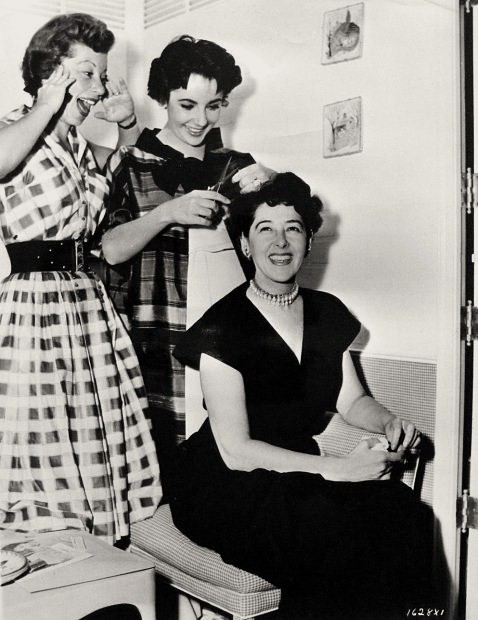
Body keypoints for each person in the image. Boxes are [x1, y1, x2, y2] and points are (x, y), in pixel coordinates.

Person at [169, 172, 433, 619]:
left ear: (309, 240)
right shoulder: (223, 324)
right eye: (264, 229)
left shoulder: (327, 311)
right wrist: (340, 471)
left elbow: (350, 400)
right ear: (245, 245)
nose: (280, 242)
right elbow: (236, 451)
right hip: (226, 482)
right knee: (329, 536)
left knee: (406, 513)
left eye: (293, 228)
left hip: (298, 468)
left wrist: (388, 421)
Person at [0, 13, 161, 544]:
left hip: (84, 299)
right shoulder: (14, 128)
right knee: (37, 437)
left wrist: (127, 122)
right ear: (53, 73)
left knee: (89, 435)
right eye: (87, 73)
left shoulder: (78, 147)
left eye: (102, 74)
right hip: (32, 304)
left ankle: (94, 567)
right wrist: (47, 105)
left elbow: (132, 165)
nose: (99, 87)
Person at [103, 35, 274, 486]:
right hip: (162, 322)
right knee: (170, 448)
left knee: (230, 444)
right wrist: (166, 213)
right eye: (186, 105)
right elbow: (110, 248)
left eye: (214, 106)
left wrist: (274, 182)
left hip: (230, 321)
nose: (201, 120)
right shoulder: (133, 162)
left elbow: (278, 241)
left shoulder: (236, 164)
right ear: (162, 99)